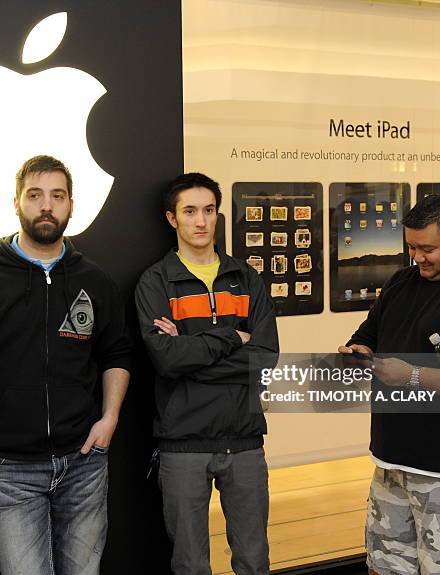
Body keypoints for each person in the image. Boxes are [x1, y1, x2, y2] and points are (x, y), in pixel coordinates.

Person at [0, 155, 131, 575]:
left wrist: (110, 417)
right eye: (35, 195)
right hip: (8, 473)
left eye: (57, 196)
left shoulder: (94, 280)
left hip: (84, 465)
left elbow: (117, 353)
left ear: (71, 205)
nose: (46, 206)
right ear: (16, 203)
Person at [339, 194, 440, 575]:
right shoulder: (402, 280)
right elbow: (369, 333)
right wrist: (358, 351)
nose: (417, 257)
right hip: (390, 466)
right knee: (383, 566)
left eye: (428, 248)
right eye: (411, 247)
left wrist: (411, 375)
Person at [135, 172, 279, 575]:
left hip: (246, 439)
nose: (201, 221)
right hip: (183, 443)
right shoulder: (156, 281)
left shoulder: (247, 279)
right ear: (172, 219)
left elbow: (265, 358)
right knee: (190, 565)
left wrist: (190, 349)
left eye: (209, 210)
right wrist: (233, 335)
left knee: (254, 561)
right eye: (190, 211)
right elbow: (167, 361)